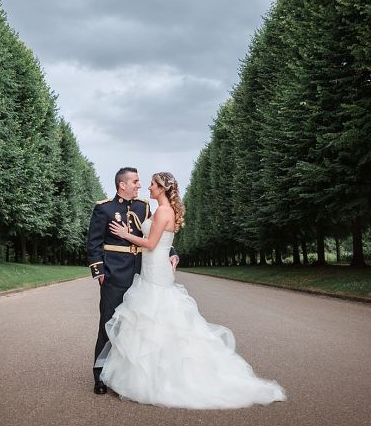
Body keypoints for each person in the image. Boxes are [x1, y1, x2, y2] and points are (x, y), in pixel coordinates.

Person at [96, 171, 286, 409]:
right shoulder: (152, 209)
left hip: (154, 273)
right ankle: (151, 372)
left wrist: (125, 234)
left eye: (152, 184)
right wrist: (172, 254)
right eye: (141, 183)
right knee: (155, 321)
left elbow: (152, 243)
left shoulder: (162, 211)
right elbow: (163, 241)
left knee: (155, 318)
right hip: (152, 270)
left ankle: (158, 378)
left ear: (162, 189)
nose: (147, 187)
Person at [87, 167, 178, 395]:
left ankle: (122, 373)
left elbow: (155, 234)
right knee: (108, 323)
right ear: (122, 184)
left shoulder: (143, 207)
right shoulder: (104, 208)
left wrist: (171, 251)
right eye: (136, 182)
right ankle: (99, 374)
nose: (139, 185)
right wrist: (99, 271)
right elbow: (94, 243)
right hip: (114, 272)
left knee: (134, 326)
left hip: (141, 273)